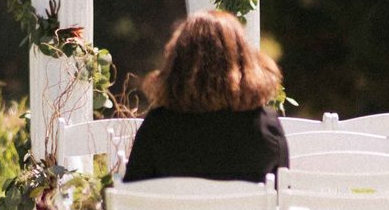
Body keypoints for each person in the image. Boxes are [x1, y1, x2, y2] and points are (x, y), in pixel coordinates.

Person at [121, 11, 290, 183]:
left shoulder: (157, 127)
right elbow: (282, 198)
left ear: (178, 63)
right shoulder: (265, 127)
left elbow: (132, 195)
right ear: (243, 59)